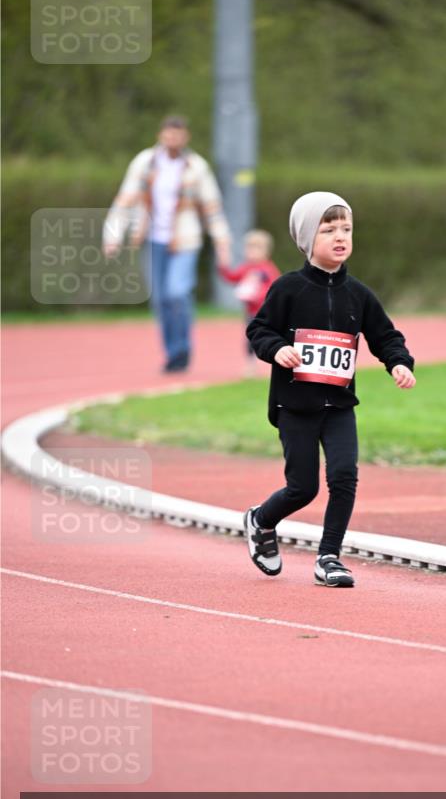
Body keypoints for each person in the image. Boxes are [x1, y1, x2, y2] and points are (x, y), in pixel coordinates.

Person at [244, 191, 416, 588]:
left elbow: (385, 336)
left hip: (338, 406)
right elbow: (259, 330)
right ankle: (261, 520)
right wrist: (279, 349)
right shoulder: (288, 289)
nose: (340, 236)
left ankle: (329, 557)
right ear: (307, 239)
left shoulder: (358, 294)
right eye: (328, 229)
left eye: (347, 229)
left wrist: (400, 362)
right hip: (295, 405)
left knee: (343, 477)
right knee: (302, 488)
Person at [103, 115, 231, 373]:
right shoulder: (145, 162)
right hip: (151, 239)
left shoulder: (196, 167)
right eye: (168, 133)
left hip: (185, 239)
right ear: (161, 135)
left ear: (185, 137)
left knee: (177, 292)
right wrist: (113, 235)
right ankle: (173, 353)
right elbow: (125, 200)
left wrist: (222, 241)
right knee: (160, 300)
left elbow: (211, 206)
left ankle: (183, 347)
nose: (173, 138)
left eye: (178, 134)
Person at [218, 229, 281, 375]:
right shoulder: (246, 268)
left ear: (266, 251)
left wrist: (258, 295)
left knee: (270, 336)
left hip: (266, 312)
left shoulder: (268, 269)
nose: (251, 252)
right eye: (249, 248)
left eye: (256, 248)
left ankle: (275, 362)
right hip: (251, 312)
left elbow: (275, 289)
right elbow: (232, 277)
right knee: (250, 337)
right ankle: (250, 364)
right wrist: (223, 263)